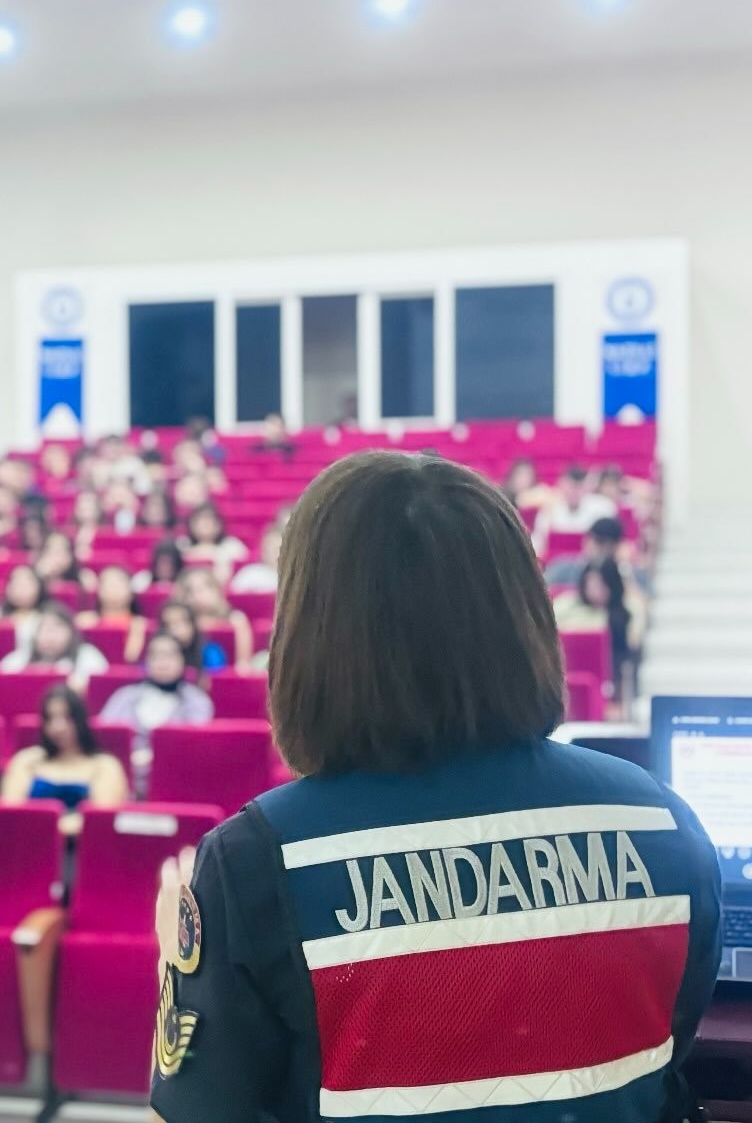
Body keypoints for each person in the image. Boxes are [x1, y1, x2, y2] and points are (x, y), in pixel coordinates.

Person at [149, 451, 721, 1123]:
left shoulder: (256, 862)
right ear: (520, 611)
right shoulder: (662, 823)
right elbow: (664, 1057)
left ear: (312, 630)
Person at [1, 686, 128, 835]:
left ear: (80, 720)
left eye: (67, 718)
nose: (58, 727)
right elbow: (11, 813)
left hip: (82, 848)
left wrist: (47, 826)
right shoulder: (26, 761)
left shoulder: (105, 765)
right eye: (50, 718)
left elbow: (100, 820)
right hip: (29, 843)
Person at [99, 631, 214, 792]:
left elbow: (193, 748)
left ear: (183, 661)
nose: (163, 662)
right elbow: (104, 739)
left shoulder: (197, 701)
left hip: (175, 782)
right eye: (156, 655)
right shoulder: (124, 697)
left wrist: (154, 757)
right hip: (122, 781)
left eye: (170, 655)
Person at [553, 561, 643, 700]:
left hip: (611, 677)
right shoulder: (564, 607)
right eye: (592, 583)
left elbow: (633, 643)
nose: (596, 589)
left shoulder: (627, 611)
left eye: (601, 584)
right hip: (568, 673)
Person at [0, 602, 109, 692]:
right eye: (44, 628)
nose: (50, 635)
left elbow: (101, 689)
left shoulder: (88, 656)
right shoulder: (19, 659)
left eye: (57, 627)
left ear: (71, 632)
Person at [176, 566, 254, 668]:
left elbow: (243, 665)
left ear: (216, 590)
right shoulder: (181, 622)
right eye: (190, 591)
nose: (197, 596)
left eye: (203, 589)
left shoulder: (236, 620)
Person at [534, 464, 617, 547]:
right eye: (570, 486)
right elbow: (538, 543)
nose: (574, 492)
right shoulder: (549, 510)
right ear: (562, 485)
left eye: (578, 487)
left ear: (585, 486)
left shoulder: (602, 507)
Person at [79, 564, 149, 663]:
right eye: (108, 584)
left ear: (131, 591)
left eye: (119, 584)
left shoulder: (140, 625)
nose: (113, 589)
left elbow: (131, 658)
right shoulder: (82, 622)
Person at [0, 564, 48, 648]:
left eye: (27, 583)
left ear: (39, 587)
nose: (21, 588)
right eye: (16, 583)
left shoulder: (47, 617)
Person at [179, 503, 248, 585]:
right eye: (200, 519)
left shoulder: (232, 546)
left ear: (219, 524)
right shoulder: (182, 545)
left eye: (210, 519)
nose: (205, 524)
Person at [157, 601, 228, 676]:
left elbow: (216, 678)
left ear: (193, 624)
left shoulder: (210, 651)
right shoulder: (156, 652)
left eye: (181, 622)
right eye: (168, 624)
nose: (174, 628)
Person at [229, 523, 282, 594]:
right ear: (264, 551)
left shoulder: (297, 577)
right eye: (272, 549)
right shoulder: (249, 574)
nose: (277, 554)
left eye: (280, 549)